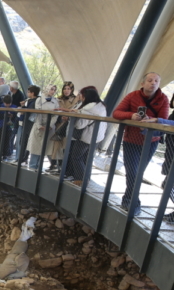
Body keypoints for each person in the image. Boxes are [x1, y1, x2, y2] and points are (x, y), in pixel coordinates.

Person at [112, 72, 170, 216]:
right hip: (131, 139)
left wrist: (151, 120)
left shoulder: (163, 99)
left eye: (156, 81)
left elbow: (164, 119)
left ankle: (128, 200)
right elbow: (116, 113)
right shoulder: (132, 96)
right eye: (150, 80)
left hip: (151, 141)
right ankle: (133, 203)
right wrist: (131, 116)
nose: (153, 83)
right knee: (132, 171)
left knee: (138, 173)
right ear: (142, 83)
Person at [63, 86, 107, 184]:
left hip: (87, 137)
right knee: (86, 158)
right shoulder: (101, 106)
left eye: (82, 95)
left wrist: (73, 117)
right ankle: (85, 178)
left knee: (76, 157)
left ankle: (81, 179)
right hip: (97, 137)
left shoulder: (87, 108)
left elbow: (79, 125)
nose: (81, 97)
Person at [141, 96, 174, 222]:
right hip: (171, 156)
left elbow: (165, 124)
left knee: (168, 184)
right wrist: (145, 128)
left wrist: (157, 120)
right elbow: (161, 131)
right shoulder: (172, 116)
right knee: (168, 184)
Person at [47, 82, 79, 172]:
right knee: (56, 146)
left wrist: (68, 116)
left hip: (69, 125)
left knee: (65, 146)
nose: (66, 91)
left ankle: (63, 168)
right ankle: (54, 164)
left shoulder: (76, 99)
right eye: (65, 89)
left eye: (68, 89)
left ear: (72, 89)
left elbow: (77, 111)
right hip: (59, 125)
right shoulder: (59, 99)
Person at [26, 85, 58, 170]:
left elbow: (56, 115)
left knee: (45, 149)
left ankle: (39, 168)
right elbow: (38, 112)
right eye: (51, 89)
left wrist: (49, 125)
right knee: (35, 148)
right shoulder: (39, 99)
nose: (53, 91)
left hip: (49, 127)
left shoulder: (55, 101)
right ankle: (32, 167)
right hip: (38, 126)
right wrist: (40, 125)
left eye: (54, 90)